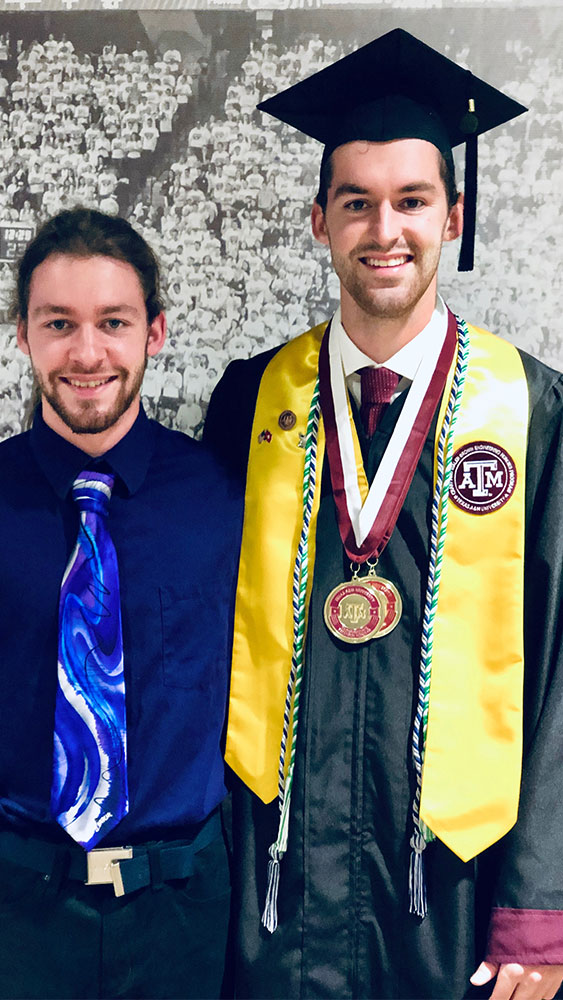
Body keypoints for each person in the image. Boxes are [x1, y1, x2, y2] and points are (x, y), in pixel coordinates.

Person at [203, 29, 563, 1000]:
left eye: (410, 201)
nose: (383, 229)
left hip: (451, 886)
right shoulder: (249, 403)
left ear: (451, 217)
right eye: (355, 203)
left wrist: (538, 900)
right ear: (317, 222)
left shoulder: (529, 409)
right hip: (274, 880)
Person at [0, 207, 241, 1000]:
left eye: (114, 321)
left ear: (155, 332)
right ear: (23, 335)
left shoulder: (225, 498)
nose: (87, 352)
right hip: (16, 906)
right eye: (58, 323)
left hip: (182, 911)